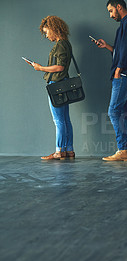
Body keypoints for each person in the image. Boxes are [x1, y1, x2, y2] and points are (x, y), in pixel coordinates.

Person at [93, 0, 127, 161]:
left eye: (111, 11)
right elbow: (122, 50)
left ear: (119, 7)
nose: (110, 15)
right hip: (126, 74)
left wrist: (119, 70)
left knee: (114, 111)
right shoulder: (126, 25)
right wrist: (107, 46)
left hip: (123, 75)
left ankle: (123, 149)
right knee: (124, 113)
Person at [26, 16, 75, 160]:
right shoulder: (66, 43)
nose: (46, 36)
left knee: (59, 120)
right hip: (63, 83)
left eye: (47, 32)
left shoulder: (60, 45)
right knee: (65, 119)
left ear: (54, 29)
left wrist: (40, 68)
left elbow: (59, 67)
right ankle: (69, 150)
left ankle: (59, 151)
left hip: (56, 85)